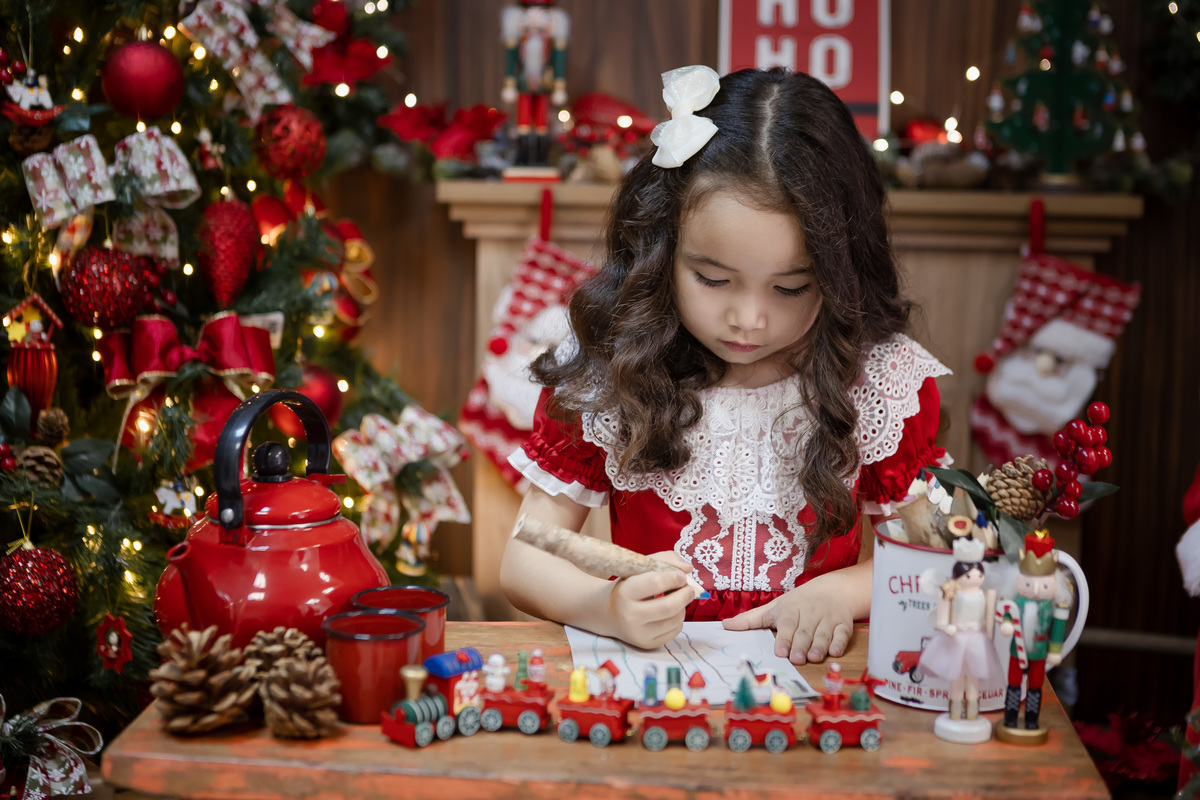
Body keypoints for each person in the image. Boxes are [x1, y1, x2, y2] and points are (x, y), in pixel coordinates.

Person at [499, 65, 950, 664]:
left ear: (840, 274)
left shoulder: (875, 383)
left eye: (791, 288)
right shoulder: (615, 371)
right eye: (713, 279)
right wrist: (604, 608)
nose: (749, 320)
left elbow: (934, 555)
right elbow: (525, 555)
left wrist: (839, 592)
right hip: (655, 680)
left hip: (815, 687)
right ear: (661, 250)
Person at [917, 536, 1002, 729]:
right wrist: (948, 627)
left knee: (974, 676)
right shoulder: (950, 592)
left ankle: (973, 710)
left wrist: (989, 636)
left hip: (977, 640)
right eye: (971, 574)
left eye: (979, 573)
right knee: (956, 676)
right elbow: (941, 620)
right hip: (956, 640)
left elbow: (988, 619)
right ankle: (955, 710)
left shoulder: (984, 594)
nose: (976, 577)